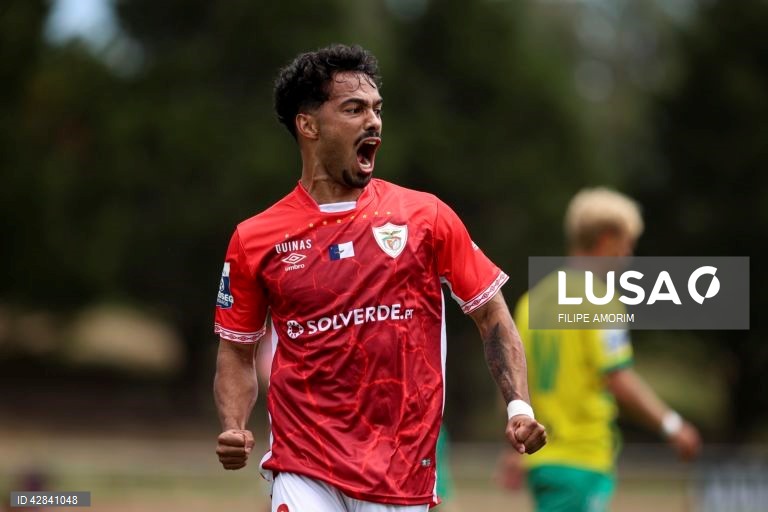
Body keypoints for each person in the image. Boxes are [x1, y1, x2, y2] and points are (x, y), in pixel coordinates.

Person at [212, 44, 546, 512]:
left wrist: (519, 408)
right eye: (353, 109)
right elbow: (236, 349)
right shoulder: (255, 238)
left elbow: (492, 315)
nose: (373, 121)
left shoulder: (425, 217)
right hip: (304, 465)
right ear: (308, 125)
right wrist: (234, 423)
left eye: (376, 109)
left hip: (403, 471)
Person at [500, 187, 701, 512]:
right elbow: (618, 378)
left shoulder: (531, 301)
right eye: (627, 244)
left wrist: (512, 448)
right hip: (581, 456)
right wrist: (673, 425)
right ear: (607, 239)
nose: (628, 255)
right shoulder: (600, 299)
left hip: (541, 460)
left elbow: (515, 380)